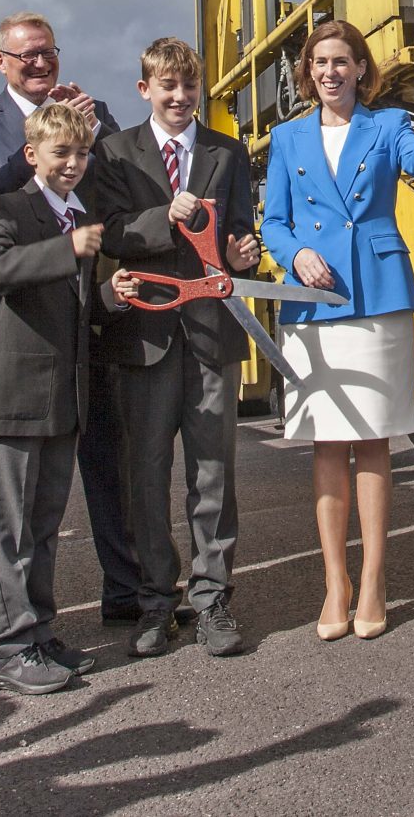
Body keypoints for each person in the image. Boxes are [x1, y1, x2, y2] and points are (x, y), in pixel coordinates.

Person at [259, 18, 414, 642]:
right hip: (313, 300)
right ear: (307, 74)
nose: (330, 73)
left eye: (341, 62)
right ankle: (335, 582)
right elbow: (274, 222)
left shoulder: (389, 126)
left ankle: (373, 580)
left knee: (373, 441)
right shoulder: (286, 138)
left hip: (375, 291)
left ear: (362, 69)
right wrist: (293, 256)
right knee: (326, 444)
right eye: (319, 64)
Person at [0, 12, 137, 622]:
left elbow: (119, 188)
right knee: (20, 497)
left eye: (48, 53)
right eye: (26, 55)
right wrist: (46, 141)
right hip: (20, 331)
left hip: (85, 322)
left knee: (88, 474)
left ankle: (121, 593)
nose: (39, 64)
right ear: (1, 62)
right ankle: (13, 634)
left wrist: (95, 129)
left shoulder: (90, 119)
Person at [86, 36, 260, 659]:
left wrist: (245, 251)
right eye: (168, 87)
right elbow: (110, 232)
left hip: (212, 335)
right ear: (145, 91)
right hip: (146, 340)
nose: (180, 97)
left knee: (212, 476)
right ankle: (158, 603)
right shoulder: (113, 152)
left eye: (189, 87)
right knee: (147, 476)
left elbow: (242, 228)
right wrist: (168, 216)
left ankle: (213, 602)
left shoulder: (226, 151)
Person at [0, 98, 109, 695]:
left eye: (82, 153)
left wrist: (115, 294)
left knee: (44, 523)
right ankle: (7, 648)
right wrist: (68, 250)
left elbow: (78, 305)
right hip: (18, 392)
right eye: (61, 153)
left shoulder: (81, 213)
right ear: (32, 155)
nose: (73, 163)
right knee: (12, 529)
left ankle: (38, 633)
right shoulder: (13, 207)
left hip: (63, 393)